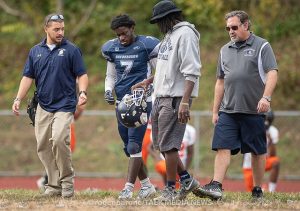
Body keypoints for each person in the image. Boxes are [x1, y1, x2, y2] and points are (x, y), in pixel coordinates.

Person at [198, 10, 278, 200]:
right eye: (228, 28)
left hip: (254, 110)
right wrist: (215, 110)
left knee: (258, 151)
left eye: (234, 27)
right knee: (222, 146)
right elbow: (220, 81)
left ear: (246, 25)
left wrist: (266, 98)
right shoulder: (224, 49)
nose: (231, 31)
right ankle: (216, 186)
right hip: (228, 110)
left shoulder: (262, 45)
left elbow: (272, 72)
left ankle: (257, 189)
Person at [12, 13, 88, 198]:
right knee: (43, 146)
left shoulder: (71, 50)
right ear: (46, 28)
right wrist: (18, 99)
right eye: (56, 29)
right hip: (43, 106)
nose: (60, 32)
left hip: (65, 105)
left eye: (62, 28)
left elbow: (82, 75)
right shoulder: (35, 51)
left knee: (60, 139)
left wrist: (83, 92)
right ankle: (54, 186)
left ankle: (67, 182)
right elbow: (28, 77)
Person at [132, 0, 201, 201]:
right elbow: (165, 69)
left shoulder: (186, 34)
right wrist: (147, 81)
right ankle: (187, 180)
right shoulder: (169, 36)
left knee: (170, 145)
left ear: (166, 19)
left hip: (176, 97)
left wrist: (185, 102)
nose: (158, 26)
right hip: (161, 95)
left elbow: (192, 70)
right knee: (161, 144)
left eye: (158, 21)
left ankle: (171, 189)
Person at [101, 14, 159, 200]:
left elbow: (160, 73)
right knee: (128, 148)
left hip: (141, 101)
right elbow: (111, 75)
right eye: (118, 35)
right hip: (121, 102)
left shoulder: (146, 45)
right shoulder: (112, 48)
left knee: (135, 144)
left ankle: (127, 188)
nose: (121, 38)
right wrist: (108, 90)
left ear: (132, 28)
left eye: (124, 33)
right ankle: (147, 186)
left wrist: (152, 95)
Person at [37, 104, 86, 191]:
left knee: (64, 155)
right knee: (56, 154)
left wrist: (79, 109)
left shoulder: (71, 98)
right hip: (59, 127)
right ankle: (48, 180)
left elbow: (75, 116)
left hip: (68, 128)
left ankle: (63, 182)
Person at [243, 110, 280, 192]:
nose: (266, 123)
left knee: (275, 162)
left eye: (268, 120)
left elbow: (273, 155)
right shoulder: (252, 128)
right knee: (252, 192)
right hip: (249, 166)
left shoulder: (272, 131)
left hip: (263, 162)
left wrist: (270, 141)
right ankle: (261, 188)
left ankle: (271, 191)